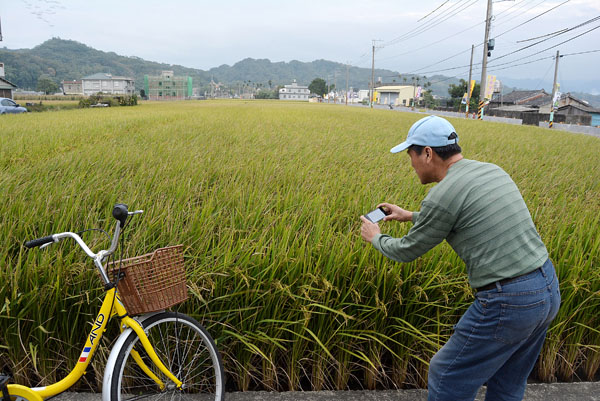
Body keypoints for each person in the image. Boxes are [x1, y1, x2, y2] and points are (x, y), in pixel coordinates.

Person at [359, 115, 560, 401]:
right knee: (508, 381)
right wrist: (410, 215)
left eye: (411, 155)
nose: (411, 164)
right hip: (547, 289)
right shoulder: (491, 171)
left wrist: (375, 237)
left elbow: (406, 251)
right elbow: (465, 216)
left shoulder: (443, 194)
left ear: (427, 153)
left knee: (446, 373)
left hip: (509, 301)